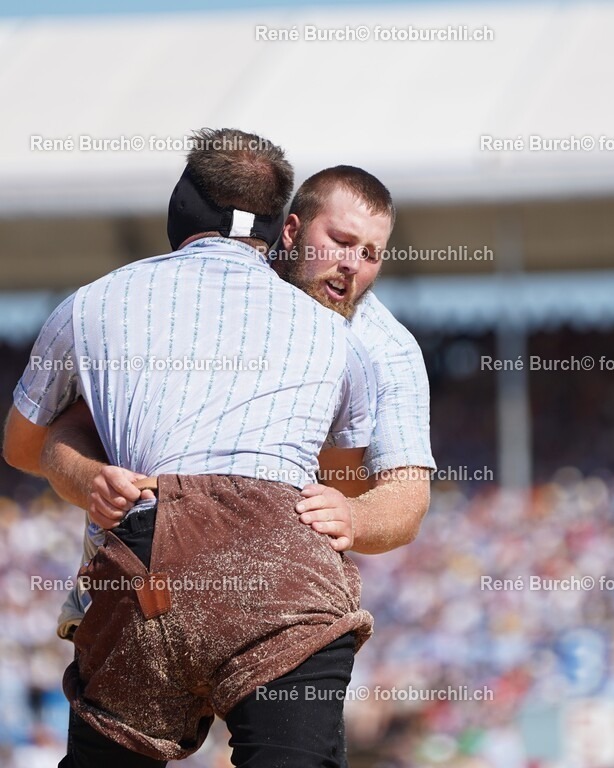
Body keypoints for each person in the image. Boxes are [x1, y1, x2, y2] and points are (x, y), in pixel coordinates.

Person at [3, 127, 379, 767]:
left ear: (182, 205)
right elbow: (342, 482)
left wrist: (87, 464)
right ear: (280, 225)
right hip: (281, 563)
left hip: (147, 552)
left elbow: (20, 445)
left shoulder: (90, 304)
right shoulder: (337, 334)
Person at [46, 164, 436, 640]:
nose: (353, 263)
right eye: (340, 240)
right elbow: (73, 426)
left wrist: (355, 516)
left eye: (371, 253)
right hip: (142, 561)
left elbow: (408, 497)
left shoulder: (387, 350)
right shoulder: (200, 289)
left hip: (275, 575)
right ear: (291, 230)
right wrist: (89, 476)